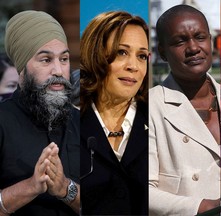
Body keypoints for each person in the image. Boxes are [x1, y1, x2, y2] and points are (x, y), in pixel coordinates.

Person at [0, 10, 80, 215]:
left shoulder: (83, 121)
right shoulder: (3, 121)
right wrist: (31, 187)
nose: (58, 71)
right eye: (46, 60)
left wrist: (64, 189)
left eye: (64, 59)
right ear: (21, 68)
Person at [149, 5, 221, 215]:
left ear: (211, 41)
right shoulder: (150, 107)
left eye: (200, 37)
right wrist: (203, 207)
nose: (193, 48)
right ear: (162, 52)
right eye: (180, 41)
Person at [80, 11, 149, 215]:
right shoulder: (70, 122)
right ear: (94, 54)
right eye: (121, 52)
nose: (133, 66)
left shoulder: (159, 120)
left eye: (142, 56)